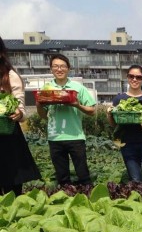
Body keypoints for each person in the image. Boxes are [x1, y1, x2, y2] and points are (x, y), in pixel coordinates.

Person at [36, 54, 96, 186]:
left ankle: (88, 198)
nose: (59, 69)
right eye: (55, 66)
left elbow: (92, 111)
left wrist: (77, 105)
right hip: (55, 137)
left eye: (62, 66)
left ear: (68, 68)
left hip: (75, 137)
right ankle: (66, 200)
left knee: (83, 175)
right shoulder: (46, 89)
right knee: (62, 177)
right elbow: (43, 115)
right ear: (51, 69)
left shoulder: (78, 88)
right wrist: (39, 105)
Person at [0, 37, 41, 195]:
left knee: (12, 187)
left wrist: (18, 113)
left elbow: (21, 109)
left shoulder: (10, 76)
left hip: (7, 135)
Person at [107, 65, 142, 183]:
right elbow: (114, 125)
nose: (134, 79)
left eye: (138, 77)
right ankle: (139, 201)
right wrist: (109, 115)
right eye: (131, 76)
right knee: (136, 181)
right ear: (127, 77)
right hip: (128, 145)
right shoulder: (119, 99)